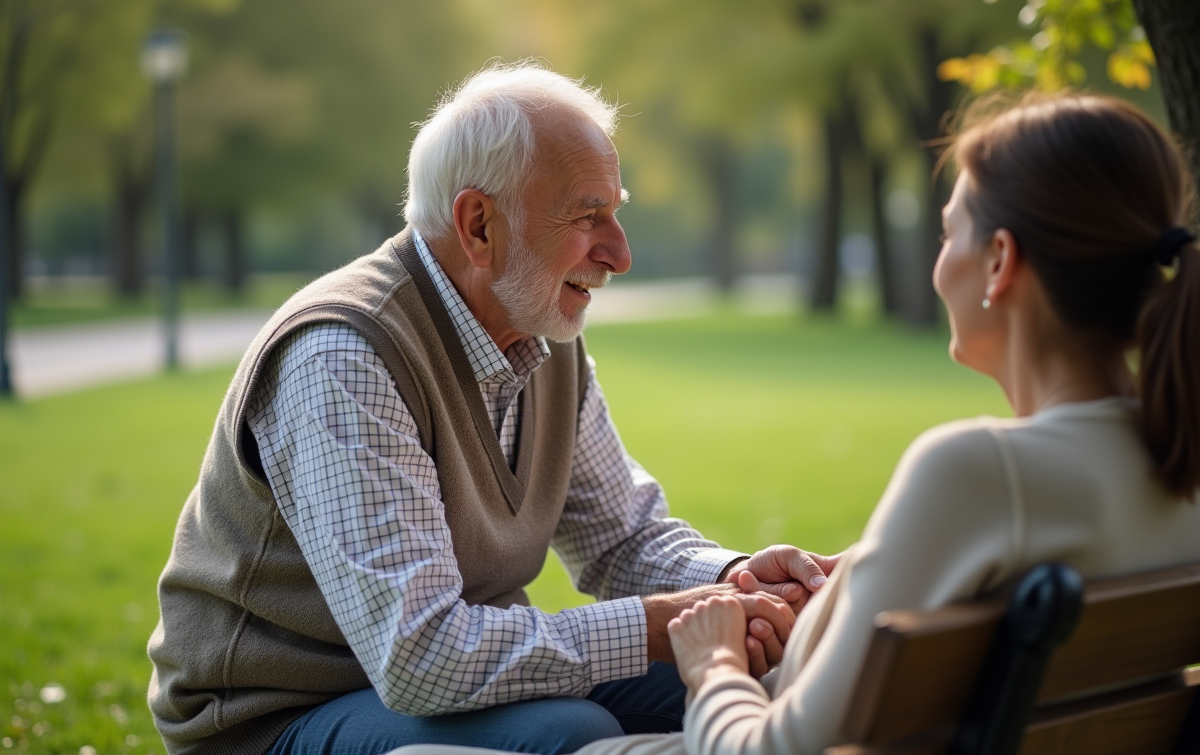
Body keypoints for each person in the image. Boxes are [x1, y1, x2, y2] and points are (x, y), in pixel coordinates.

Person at [396, 93, 1200, 755]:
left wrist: (711, 662)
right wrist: (813, 579)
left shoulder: (980, 473)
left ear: (999, 263)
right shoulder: (1174, 468)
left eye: (949, 230)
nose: (937, 259)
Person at [146, 62, 839, 755]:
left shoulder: (539, 331)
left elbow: (622, 538)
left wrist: (736, 582)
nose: (620, 254)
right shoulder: (344, 353)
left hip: (447, 678)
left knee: (773, 673)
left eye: (615, 211)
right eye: (587, 215)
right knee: (569, 734)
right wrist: (659, 627)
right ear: (479, 225)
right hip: (273, 717)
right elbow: (419, 657)